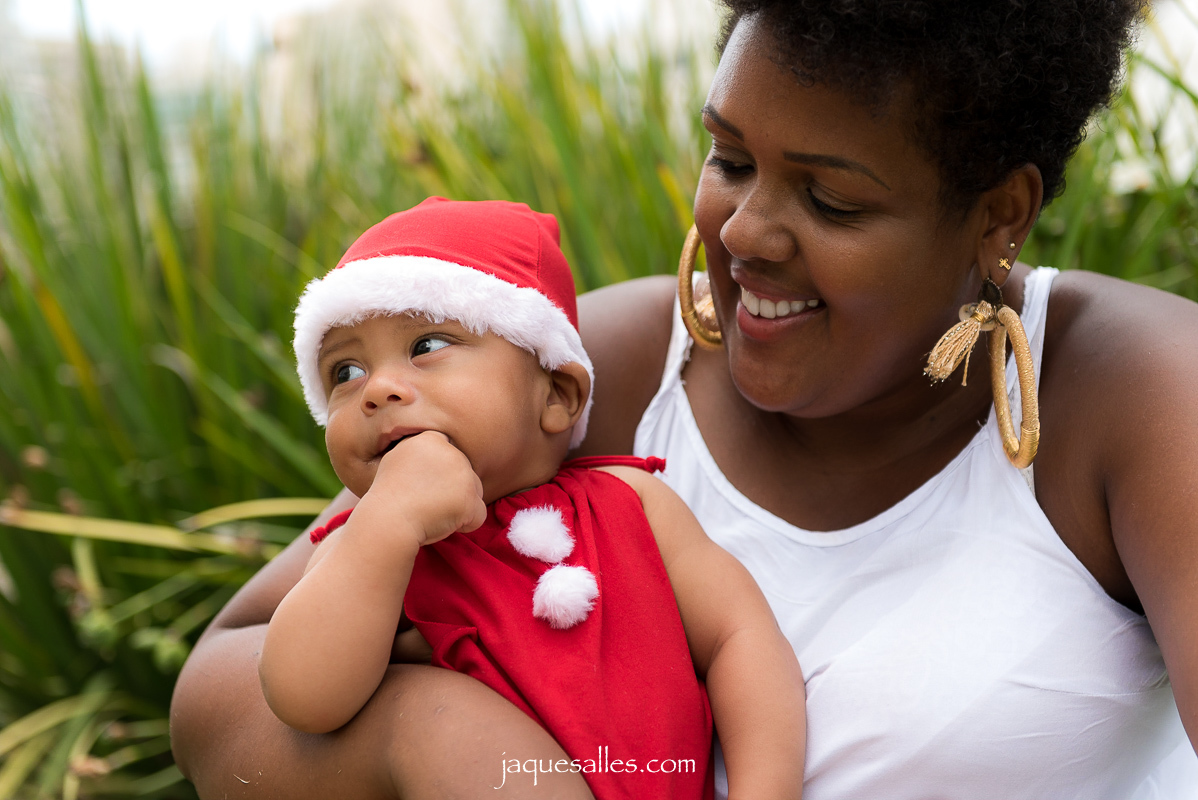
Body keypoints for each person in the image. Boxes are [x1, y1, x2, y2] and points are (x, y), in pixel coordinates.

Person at [171, 1, 1198, 798]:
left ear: (1000, 212)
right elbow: (219, 691)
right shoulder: (585, 372)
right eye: (730, 159)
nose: (744, 231)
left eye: (830, 197)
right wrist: (437, 732)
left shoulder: (1138, 393)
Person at [252, 196, 804, 800]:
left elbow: (740, 638)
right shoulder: (369, 555)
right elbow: (304, 698)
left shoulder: (630, 502)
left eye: (428, 346)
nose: (377, 389)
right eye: (344, 372)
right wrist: (384, 524)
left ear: (557, 396)